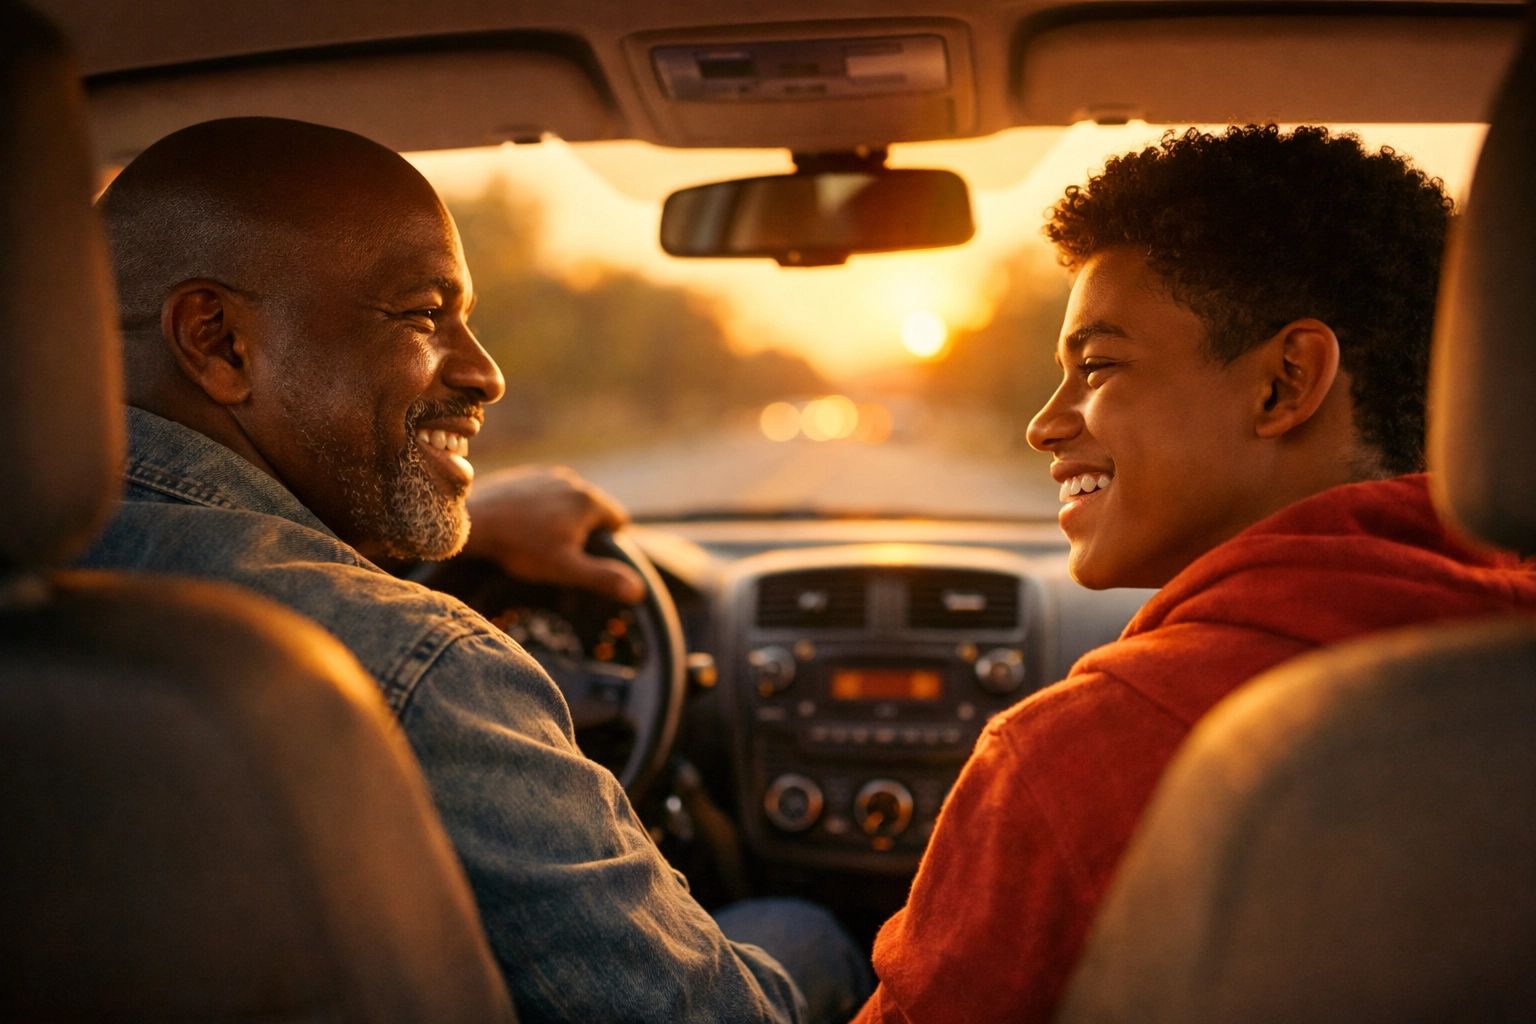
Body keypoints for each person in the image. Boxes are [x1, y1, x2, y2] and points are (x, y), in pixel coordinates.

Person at [79, 116, 871, 1024]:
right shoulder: (415, 667)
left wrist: (455, 533)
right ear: (218, 341)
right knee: (804, 933)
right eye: (425, 312)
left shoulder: (45, 578)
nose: (487, 372)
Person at [851, 125, 1536, 1024]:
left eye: (1097, 367)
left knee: (790, 933)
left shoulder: (1073, 756)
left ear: (1285, 383)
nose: (1045, 425)